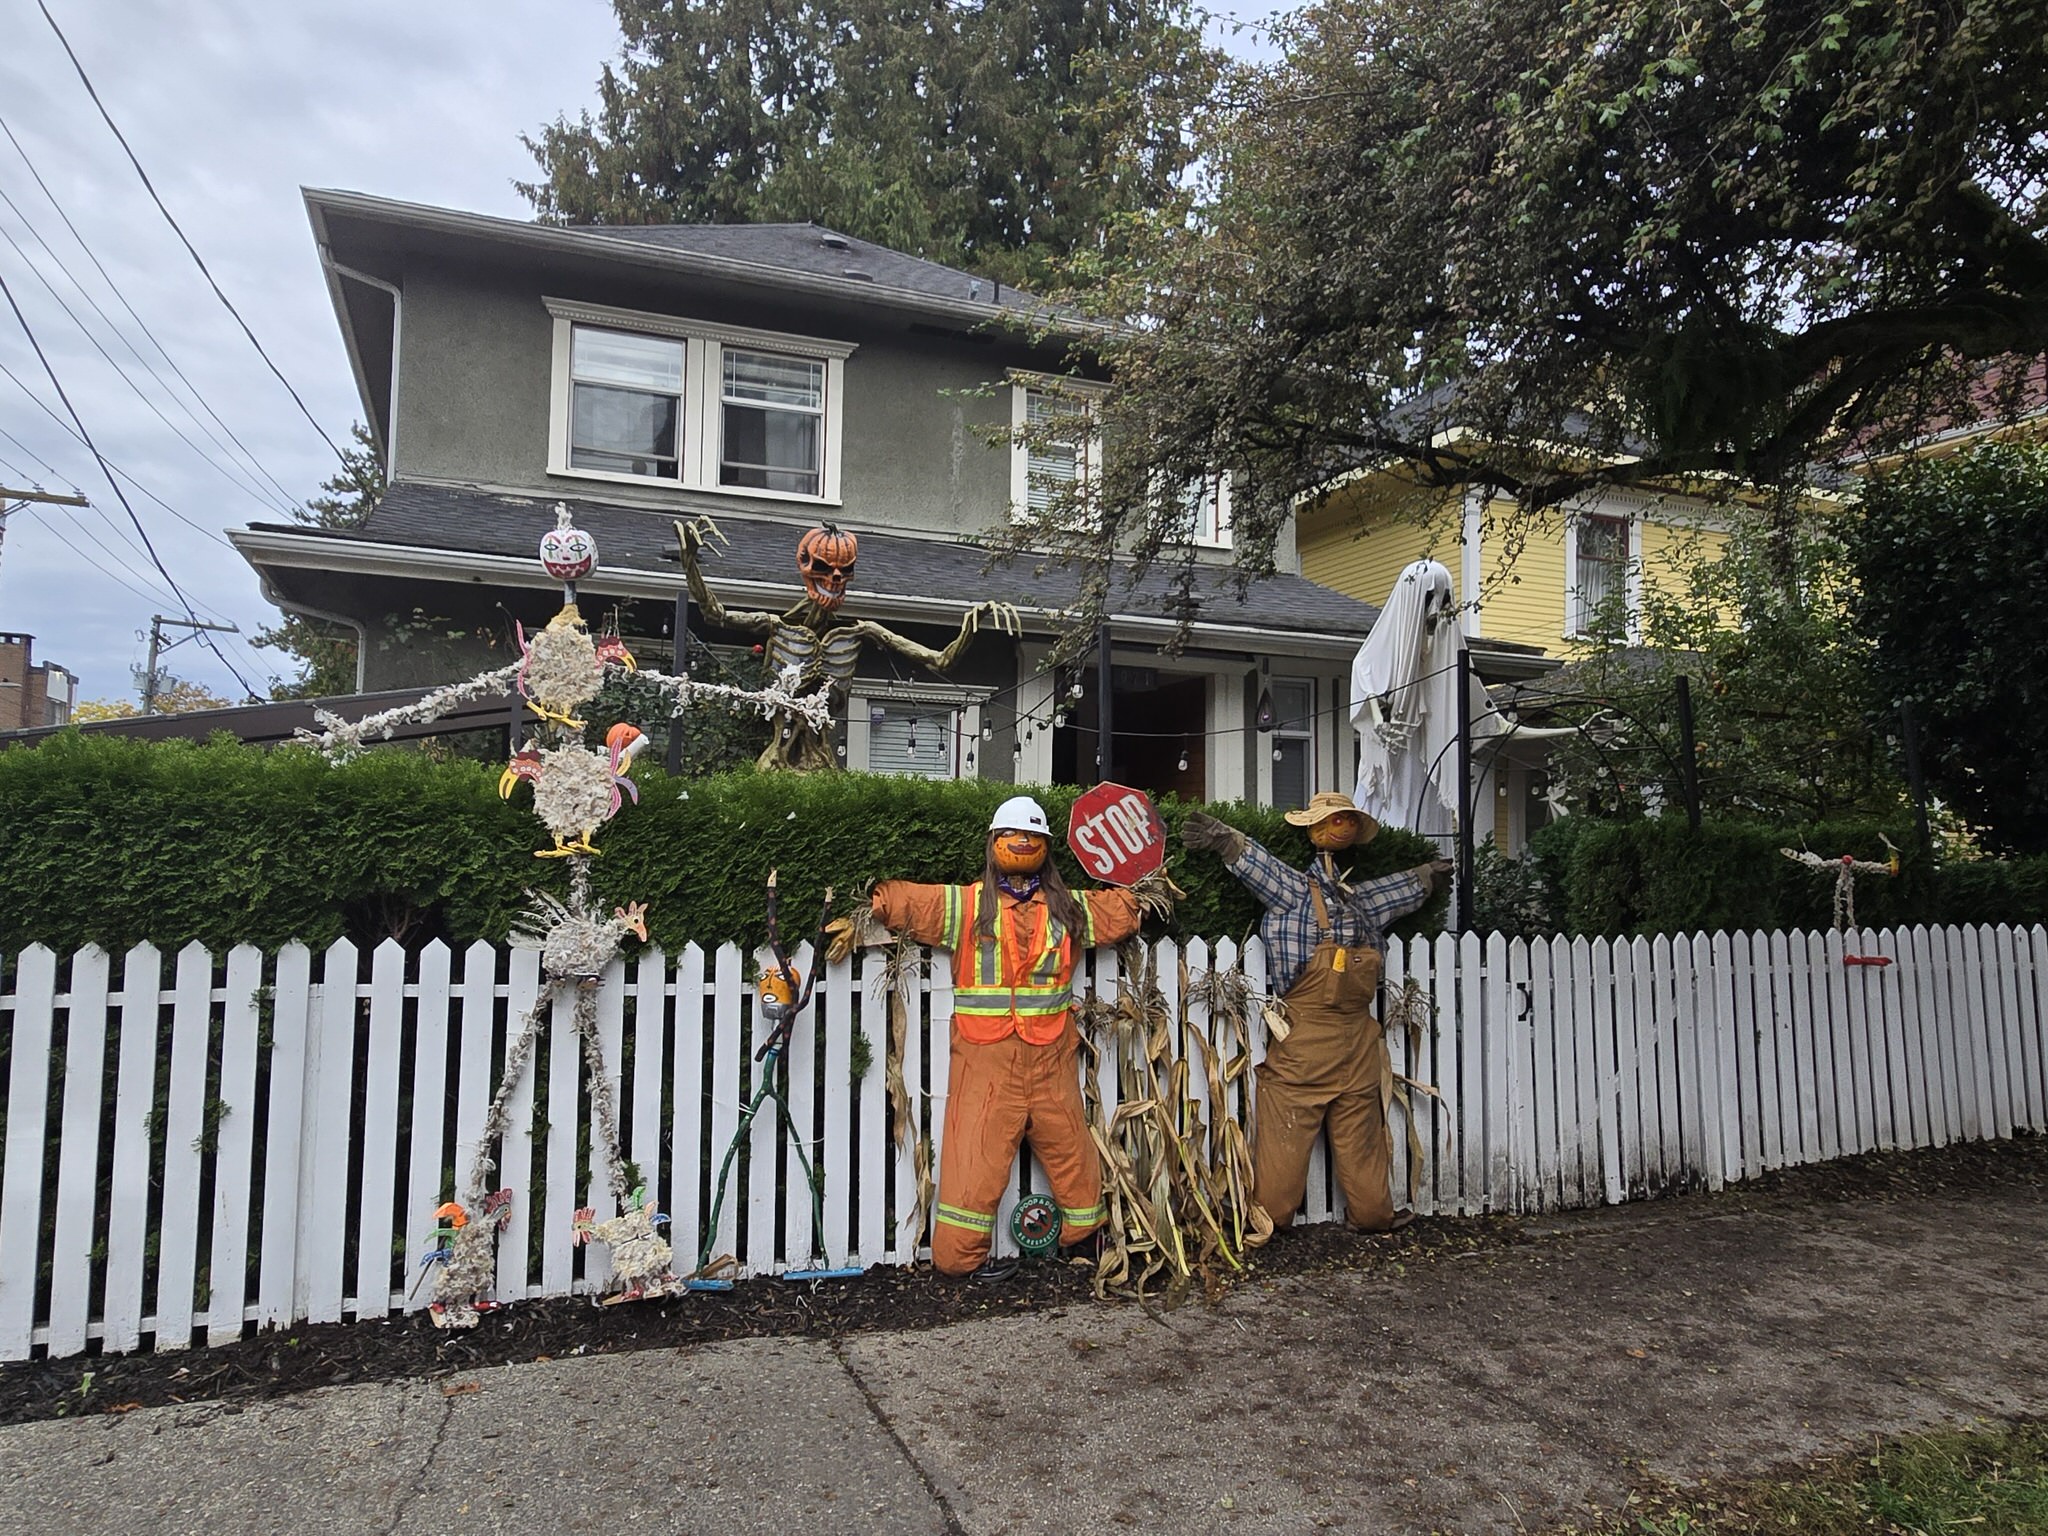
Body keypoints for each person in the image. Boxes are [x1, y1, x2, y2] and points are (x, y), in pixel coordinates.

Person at [863, 796, 1145, 1279]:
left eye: (1033, 836)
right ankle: (958, 1261)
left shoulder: (1068, 907)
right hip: (985, 1059)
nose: (1023, 842)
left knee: (1072, 1150)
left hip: (1052, 1055)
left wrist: (1138, 894)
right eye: (1013, 835)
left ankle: (1086, 1242)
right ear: (994, 844)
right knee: (973, 1157)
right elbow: (914, 903)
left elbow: (1119, 912)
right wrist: (877, 902)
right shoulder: (967, 904)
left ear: (1046, 848)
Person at [1182, 792, 1449, 1232]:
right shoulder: (1306, 894)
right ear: (1313, 828)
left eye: (1347, 821)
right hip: (1353, 1041)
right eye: (1333, 820)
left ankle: (1272, 1216)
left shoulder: (1353, 900)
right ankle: (1369, 1215)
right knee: (1357, 1135)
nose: (1341, 828)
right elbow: (1263, 867)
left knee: (1288, 1131)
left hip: (1316, 1043)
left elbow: (1391, 891)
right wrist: (1226, 840)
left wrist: (1425, 877)